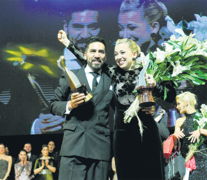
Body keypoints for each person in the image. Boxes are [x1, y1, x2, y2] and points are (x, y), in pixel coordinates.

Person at [57, 30, 176, 179]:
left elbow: (171, 96)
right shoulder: (113, 72)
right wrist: (67, 43)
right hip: (123, 135)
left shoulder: (148, 72)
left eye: (122, 52)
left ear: (134, 54)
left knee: (151, 173)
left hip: (146, 131)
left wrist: (155, 84)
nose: (118, 57)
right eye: (116, 54)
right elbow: (86, 58)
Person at [50, 35, 115, 180]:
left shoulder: (111, 80)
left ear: (105, 56)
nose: (97, 55)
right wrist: (70, 105)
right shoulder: (70, 76)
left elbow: (120, 111)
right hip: (74, 146)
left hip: (100, 149)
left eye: (101, 52)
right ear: (85, 55)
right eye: (93, 51)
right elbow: (53, 105)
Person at [173, 92, 207, 179]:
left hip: (203, 162)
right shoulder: (179, 121)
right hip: (187, 163)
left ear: (186, 103)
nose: (177, 107)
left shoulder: (202, 118)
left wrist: (200, 131)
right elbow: (175, 144)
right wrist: (175, 135)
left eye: (179, 103)